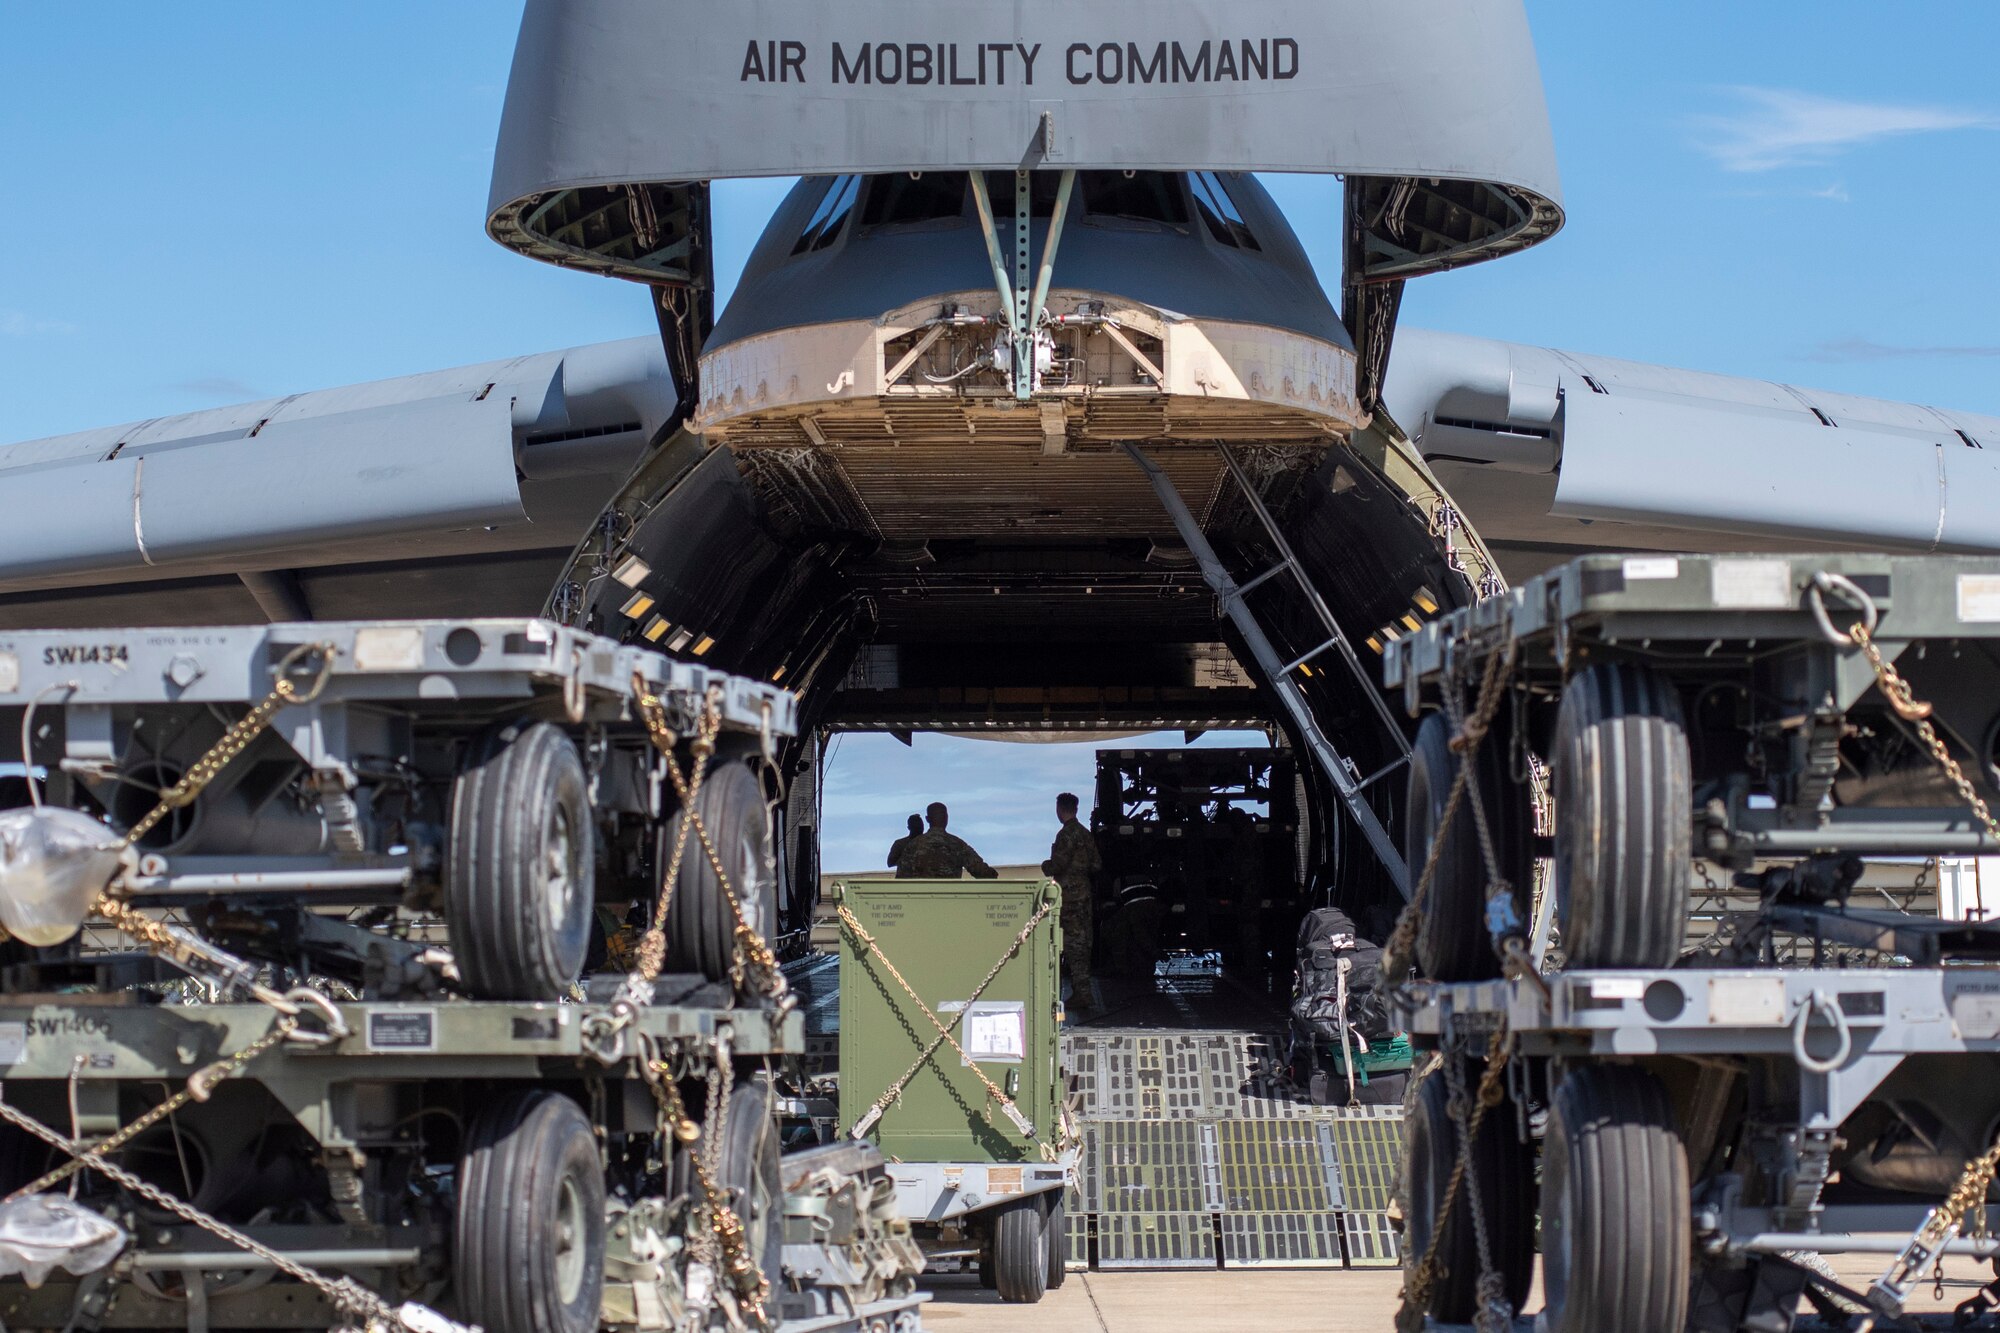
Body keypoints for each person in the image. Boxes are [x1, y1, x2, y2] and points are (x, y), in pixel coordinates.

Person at [1041, 791, 1102, 999]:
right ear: (1075, 809)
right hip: (1084, 893)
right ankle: (1083, 990)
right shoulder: (1085, 834)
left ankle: (1082, 993)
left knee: (1072, 944)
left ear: (1059, 809)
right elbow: (1096, 864)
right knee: (1084, 942)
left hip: (1069, 896)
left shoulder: (1065, 835)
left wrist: (1046, 865)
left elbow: (1057, 865)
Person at [898, 802, 1000, 879]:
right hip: (950, 902)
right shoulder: (957, 845)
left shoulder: (913, 846)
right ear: (946, 818)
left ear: (927, 819)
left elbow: (901, 879)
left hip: (917, 903)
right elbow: (982, 872)